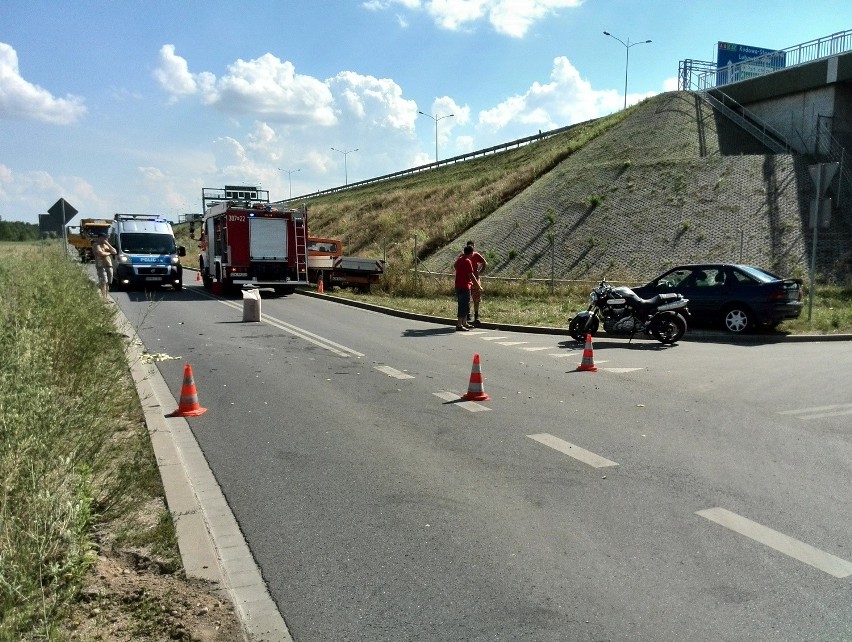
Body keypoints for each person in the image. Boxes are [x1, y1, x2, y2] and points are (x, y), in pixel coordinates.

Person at [453, 245, 480, 331]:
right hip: (465, 286)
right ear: (471, 253)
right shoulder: (468, 261)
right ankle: (459, 325)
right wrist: (478, 285)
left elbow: (455, 266)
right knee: (463, 305)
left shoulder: (460, 259)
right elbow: (471, 275)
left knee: (465, 304)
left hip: (458, 285)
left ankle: (464, 322)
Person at [465, 240, 487, 325]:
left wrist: (480, 272)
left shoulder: (476, 255)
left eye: (473, 246)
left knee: (476, 298)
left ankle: (476, 316)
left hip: (476, 279)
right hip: (467, 280)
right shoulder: (464, 256)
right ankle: (467, 314)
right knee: (467, 298)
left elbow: (484, 262)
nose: (472, 248)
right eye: (470, 246)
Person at [91, 232, 117, 299]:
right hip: (101, 265)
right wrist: (109, 253)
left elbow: (115, 252)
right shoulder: (96, 245)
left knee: (108, 282)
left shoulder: (106, 245)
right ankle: (104, 298)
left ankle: (106, 297)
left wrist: (108, 245)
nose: (106, 239)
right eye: (104, 238)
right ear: (100, 238)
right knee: (104, 281)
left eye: (106, 238)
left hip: (108, 264)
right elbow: (101, 253)